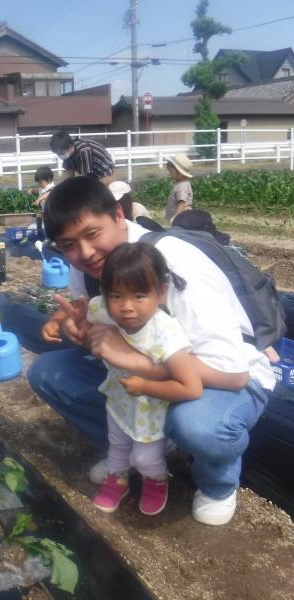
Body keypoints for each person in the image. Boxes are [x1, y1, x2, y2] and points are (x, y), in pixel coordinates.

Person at [29, 176, 273, 526]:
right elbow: (109, 337)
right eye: (69, 244)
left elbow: (233, 375)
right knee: (48, 373)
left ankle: (217, 483)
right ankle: (134, 448)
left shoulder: (171, 262)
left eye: (92, 234)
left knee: (199, 426)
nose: (84, 253)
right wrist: (82, 334)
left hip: (225, 377)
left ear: (117, 215)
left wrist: (131, 360)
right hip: (150, 375)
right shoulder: (87, 269)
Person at [85, 243, 202, 515]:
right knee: (117, 446)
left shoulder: (165, 333)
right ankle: (118, 479)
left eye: (139, 296)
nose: (126, 307)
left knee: (144, 457)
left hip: (151, 411)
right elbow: (90, 314)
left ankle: (156, 478)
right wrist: (62, 318)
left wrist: (146, 386)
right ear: (104, 293)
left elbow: (192, 387)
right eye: (116, 296)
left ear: (160, 293)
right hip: (119, 402)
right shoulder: (104, 308)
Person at [49, 130, 116, 184]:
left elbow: (86, 178)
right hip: (92, 174)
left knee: (95, 193)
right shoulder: (67, 154)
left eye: (61, 153)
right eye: (58, 154)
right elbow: (69, 175)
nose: (60, 156)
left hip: (105, 172)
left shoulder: (84, 151)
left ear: (71, 146)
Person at [165, 153, 194, 223]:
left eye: (170, 171)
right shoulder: (182, 183)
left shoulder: (182, 186)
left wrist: (175, 218)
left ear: (179, 172)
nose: (169, 173)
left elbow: (182, 203)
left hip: (182, 218)